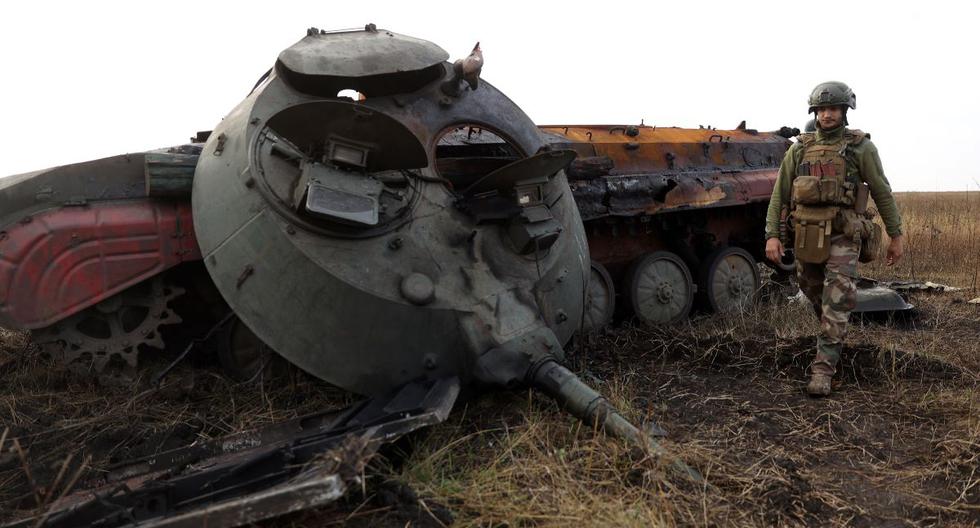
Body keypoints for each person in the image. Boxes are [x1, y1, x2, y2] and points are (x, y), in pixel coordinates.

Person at [764, 81, 905, 396]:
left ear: (845, 111)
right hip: (807, 233)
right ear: (815, 112)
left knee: (837, 297)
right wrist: (772, 234)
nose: (827, 115)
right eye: (822, 109)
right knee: (812, 290)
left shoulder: (860, 148)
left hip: (843, 232)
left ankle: (824, 368)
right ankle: (834, 334)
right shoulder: (799, 148)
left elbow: (881, 190)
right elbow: (780, 193)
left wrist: (896, 234)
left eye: (834, 109)